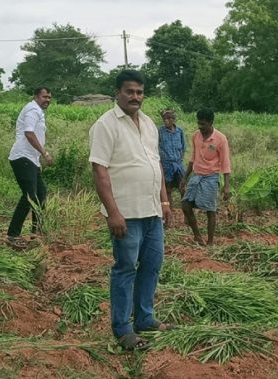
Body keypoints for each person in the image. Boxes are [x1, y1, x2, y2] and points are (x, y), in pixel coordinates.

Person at [88, 69, 173, 351]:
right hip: (126, 213)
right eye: (129, 91)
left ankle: (145, 318)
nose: (135, 97)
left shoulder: (148, 124)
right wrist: (113, 212)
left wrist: (164, 201)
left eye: (139, 92)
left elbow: (155, 163)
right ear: (118, 93)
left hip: (152, 211)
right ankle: (123, 328)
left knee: (151, 266)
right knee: (125, 269)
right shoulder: (106, 125)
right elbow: (99, 170)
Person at [6, 87, 53, 249]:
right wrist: (44, 153)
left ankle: (37, 233)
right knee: (29, 197)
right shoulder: (33, 109)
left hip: (31, 160)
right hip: (23, 157)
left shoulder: (37, 111)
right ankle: (12, 235)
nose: (47, 100)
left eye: (49, 97)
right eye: (44, 96)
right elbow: (29, 133)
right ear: (36, 96)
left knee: (40, 194)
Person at [181, 108, 231, 246]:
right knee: (185, 205)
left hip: (211, 177)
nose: (200, 127)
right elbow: (193, 158)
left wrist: (226, 186)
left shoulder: (220, 139)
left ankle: (210, 242)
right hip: (196, 176)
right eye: (199, 123)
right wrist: (185, 177)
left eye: (203, 124)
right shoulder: (196, 136)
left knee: (210, 211)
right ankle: (197, 236)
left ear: (210, 123)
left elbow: (226, 163)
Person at [158, 109, 186, 207]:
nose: (166, 121)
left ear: (173, 119)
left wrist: (180, 158)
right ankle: (169, 210)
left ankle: (185, 211)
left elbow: (183, 146)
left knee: (182, 186)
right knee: (168, 188)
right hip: (166, 164)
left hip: (178, 163)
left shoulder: (179, 131)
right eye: (164, 119)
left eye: (169, 118)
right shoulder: (160, 132)